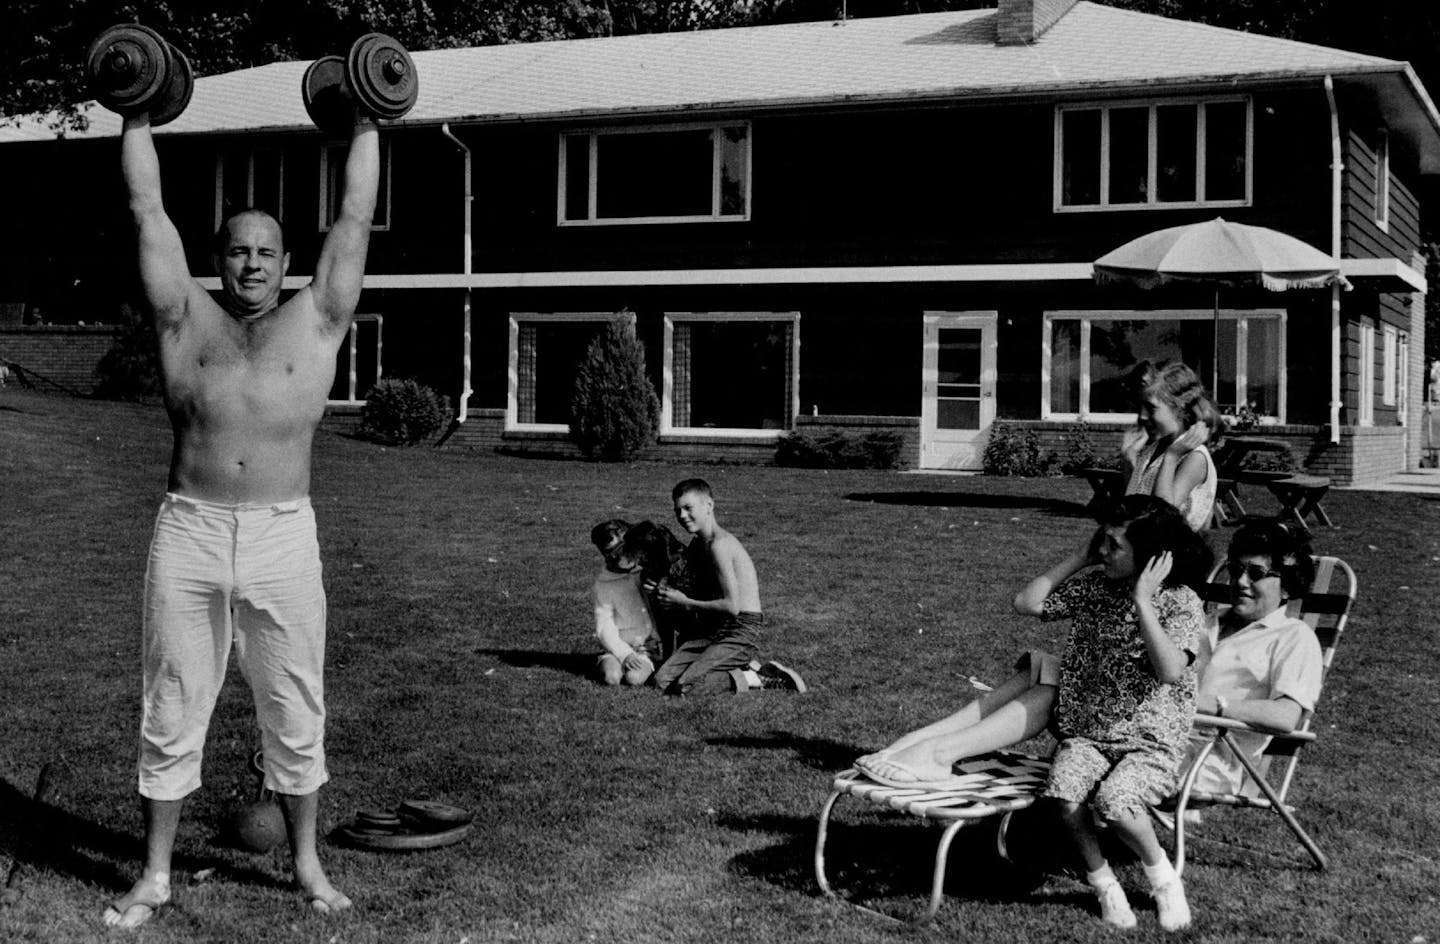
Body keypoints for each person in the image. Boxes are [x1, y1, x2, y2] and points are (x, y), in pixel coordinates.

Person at [103, 103, 379, 929]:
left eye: (266, 253)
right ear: (216, 259)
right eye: (237, 251)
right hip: (189, 531)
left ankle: (305, 865)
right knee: (173, 702)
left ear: (288, 262)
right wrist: (136, 115)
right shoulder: (186, 317)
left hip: (283, 535)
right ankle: (154, 875)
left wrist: (367, 119)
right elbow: (147, 209)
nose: (252, 264)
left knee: (295, 707)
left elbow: (355, 214)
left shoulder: (319, 316)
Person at [1015, 495, 1209, 931]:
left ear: (1152, 555)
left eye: (1114, 545)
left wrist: (1143, 600)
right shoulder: (1094, 590)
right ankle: (1104, 883)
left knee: (1116, 801)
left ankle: (1162, 877)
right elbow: (1026, 604)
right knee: (1065, 796)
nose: (1104, 551)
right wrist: (1080, 558)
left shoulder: (1180, 602)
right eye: (1101, 541)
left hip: (1149, 739)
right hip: (1090, 732)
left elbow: (1169, 670)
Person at [1187, 519, 1322, 796]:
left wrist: (1208, 704)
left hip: (1216, 760)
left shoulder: (1293, 637)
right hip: (1159, 738)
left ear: (1286, 586)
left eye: (1256, 574)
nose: (1240, 581)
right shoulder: (1202, 622)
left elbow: (1285, 716)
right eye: (1235, 570)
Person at [647, 479, 806, 695]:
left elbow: (732, 606)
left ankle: (758, 677)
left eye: (688, 508)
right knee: (661, 680)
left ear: (709, 506)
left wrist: (683, 602)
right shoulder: (697, 544)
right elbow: (691, 589)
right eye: (678, 510)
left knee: (686, 686)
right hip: (712, 627)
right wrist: (660, 590)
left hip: (740, 628)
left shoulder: (720, 545)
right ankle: (739, 665)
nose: (682, 516)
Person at [1122, 361, 1221, 532]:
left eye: (1151, 408)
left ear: (1179, 409)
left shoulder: (1194, 457)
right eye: (1141, 407)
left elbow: (1164, 518)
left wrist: (1171, 457)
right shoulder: (1153, 450)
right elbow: (1132, 509)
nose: (1142, 416)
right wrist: (1129, 459)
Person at [590, 520, 661, 686]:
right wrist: (624, 654)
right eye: (611, 552)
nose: (619, 555)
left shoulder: (646, 570)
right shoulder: (604, 585)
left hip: (646, 647)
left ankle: (651, 663)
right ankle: (607, 661)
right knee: (611, 677)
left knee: (634, 678)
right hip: (619, 645)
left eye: (624, 547)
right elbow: (604, 626)